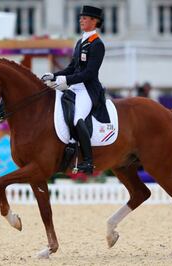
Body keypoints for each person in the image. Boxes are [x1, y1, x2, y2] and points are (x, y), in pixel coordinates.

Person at [41, 5, 105, 174]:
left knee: (77, 119)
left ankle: (89, 161)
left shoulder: (97, 44)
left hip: (88, 90)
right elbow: (71, 68)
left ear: (94, 21)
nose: (81, 20)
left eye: (85, 18)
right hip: (75, 87)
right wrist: (54, 76)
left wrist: (66, 80)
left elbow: (89, 73)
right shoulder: (81, 41)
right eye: (81, 18)